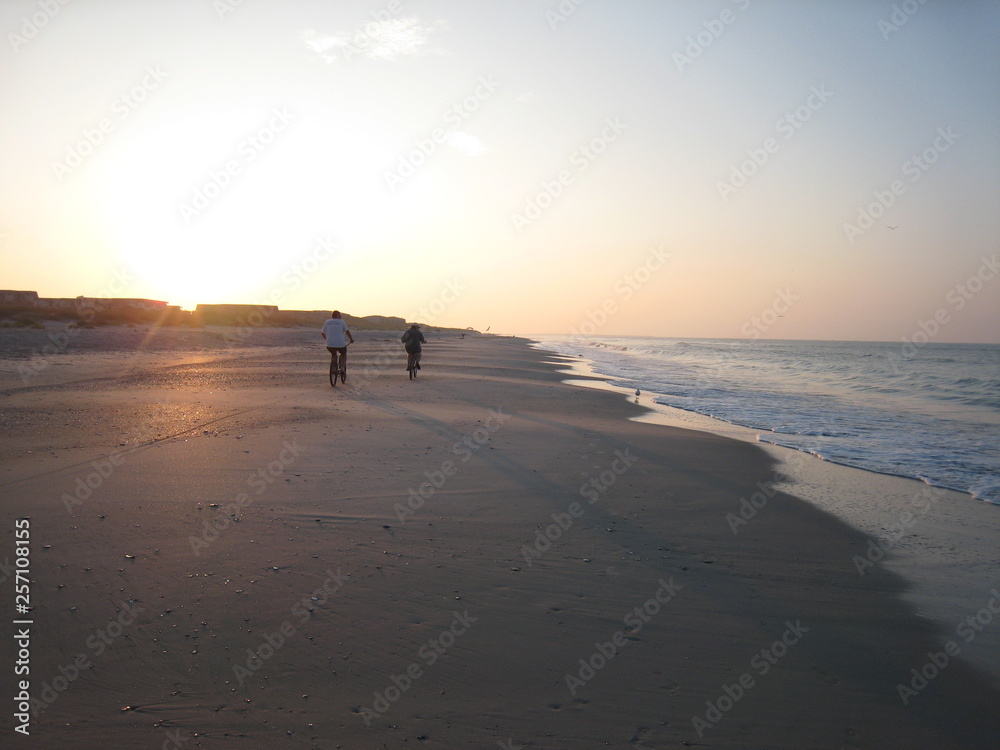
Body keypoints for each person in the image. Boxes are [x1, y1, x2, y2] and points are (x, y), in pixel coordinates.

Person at [321, 311, 354, 375]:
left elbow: (322, 332)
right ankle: (342, 368)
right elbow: (347, 331)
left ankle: (333, 368)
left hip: (329, 344)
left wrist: (327, 339)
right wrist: (351, 339)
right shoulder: (341, 321)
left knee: (333, 354)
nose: (341, 316)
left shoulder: (327, 322)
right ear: (337, 316)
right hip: (340, 344)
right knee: (344, 353)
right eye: (340, 315)